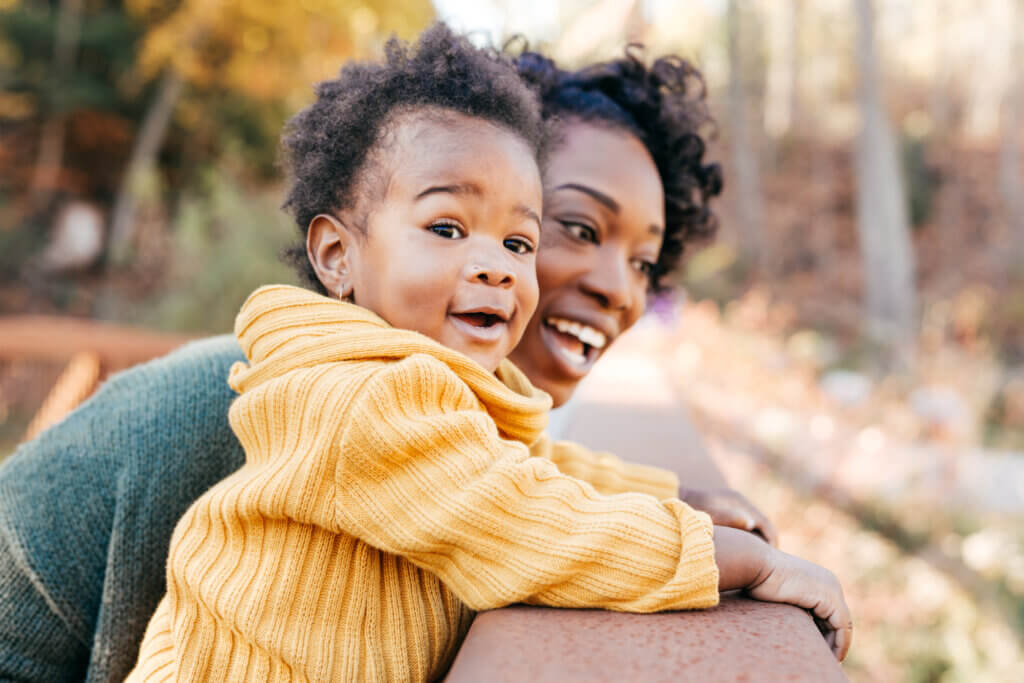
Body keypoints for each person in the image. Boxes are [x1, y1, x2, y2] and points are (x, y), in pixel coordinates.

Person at [0, 28, 786, 683]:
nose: (619, 288)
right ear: (342, 250)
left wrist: (669, 496)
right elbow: (510, 511)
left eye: (518, 235)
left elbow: (522, 473)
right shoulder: (293, 399)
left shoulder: (441, 400)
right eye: (576, 228)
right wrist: (716, 556)